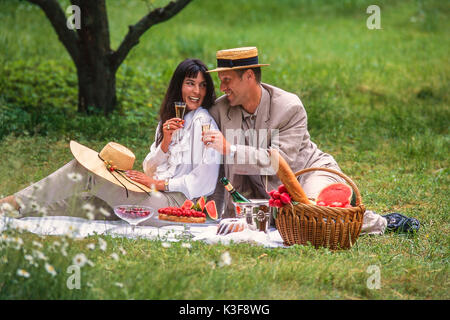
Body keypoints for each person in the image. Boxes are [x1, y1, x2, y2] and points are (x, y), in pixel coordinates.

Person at [202, 47, 419, 235]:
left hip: (309, 173)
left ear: (249, 76)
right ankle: (330, 210)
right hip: (267, 194)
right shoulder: (221, 110)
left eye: (227, 80)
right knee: (290, 224)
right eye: (220, 81)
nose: (222, 88)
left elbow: (278, 162)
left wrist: (230, 148)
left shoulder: (288, 107)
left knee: (313, 219)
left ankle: (381, 222)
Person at [0, 58, 221, 225]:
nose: (196, 91)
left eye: (202, 85)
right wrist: (165, 143)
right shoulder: (170, 120)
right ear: (178, 86)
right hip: (153, 196)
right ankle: (13, 211)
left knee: (85, 170)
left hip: (175, 206)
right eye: (190, 83)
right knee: (88, 202)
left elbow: (205, 183)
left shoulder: (205, 125)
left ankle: (14, 203)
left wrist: (159, 185)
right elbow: (148, 168)